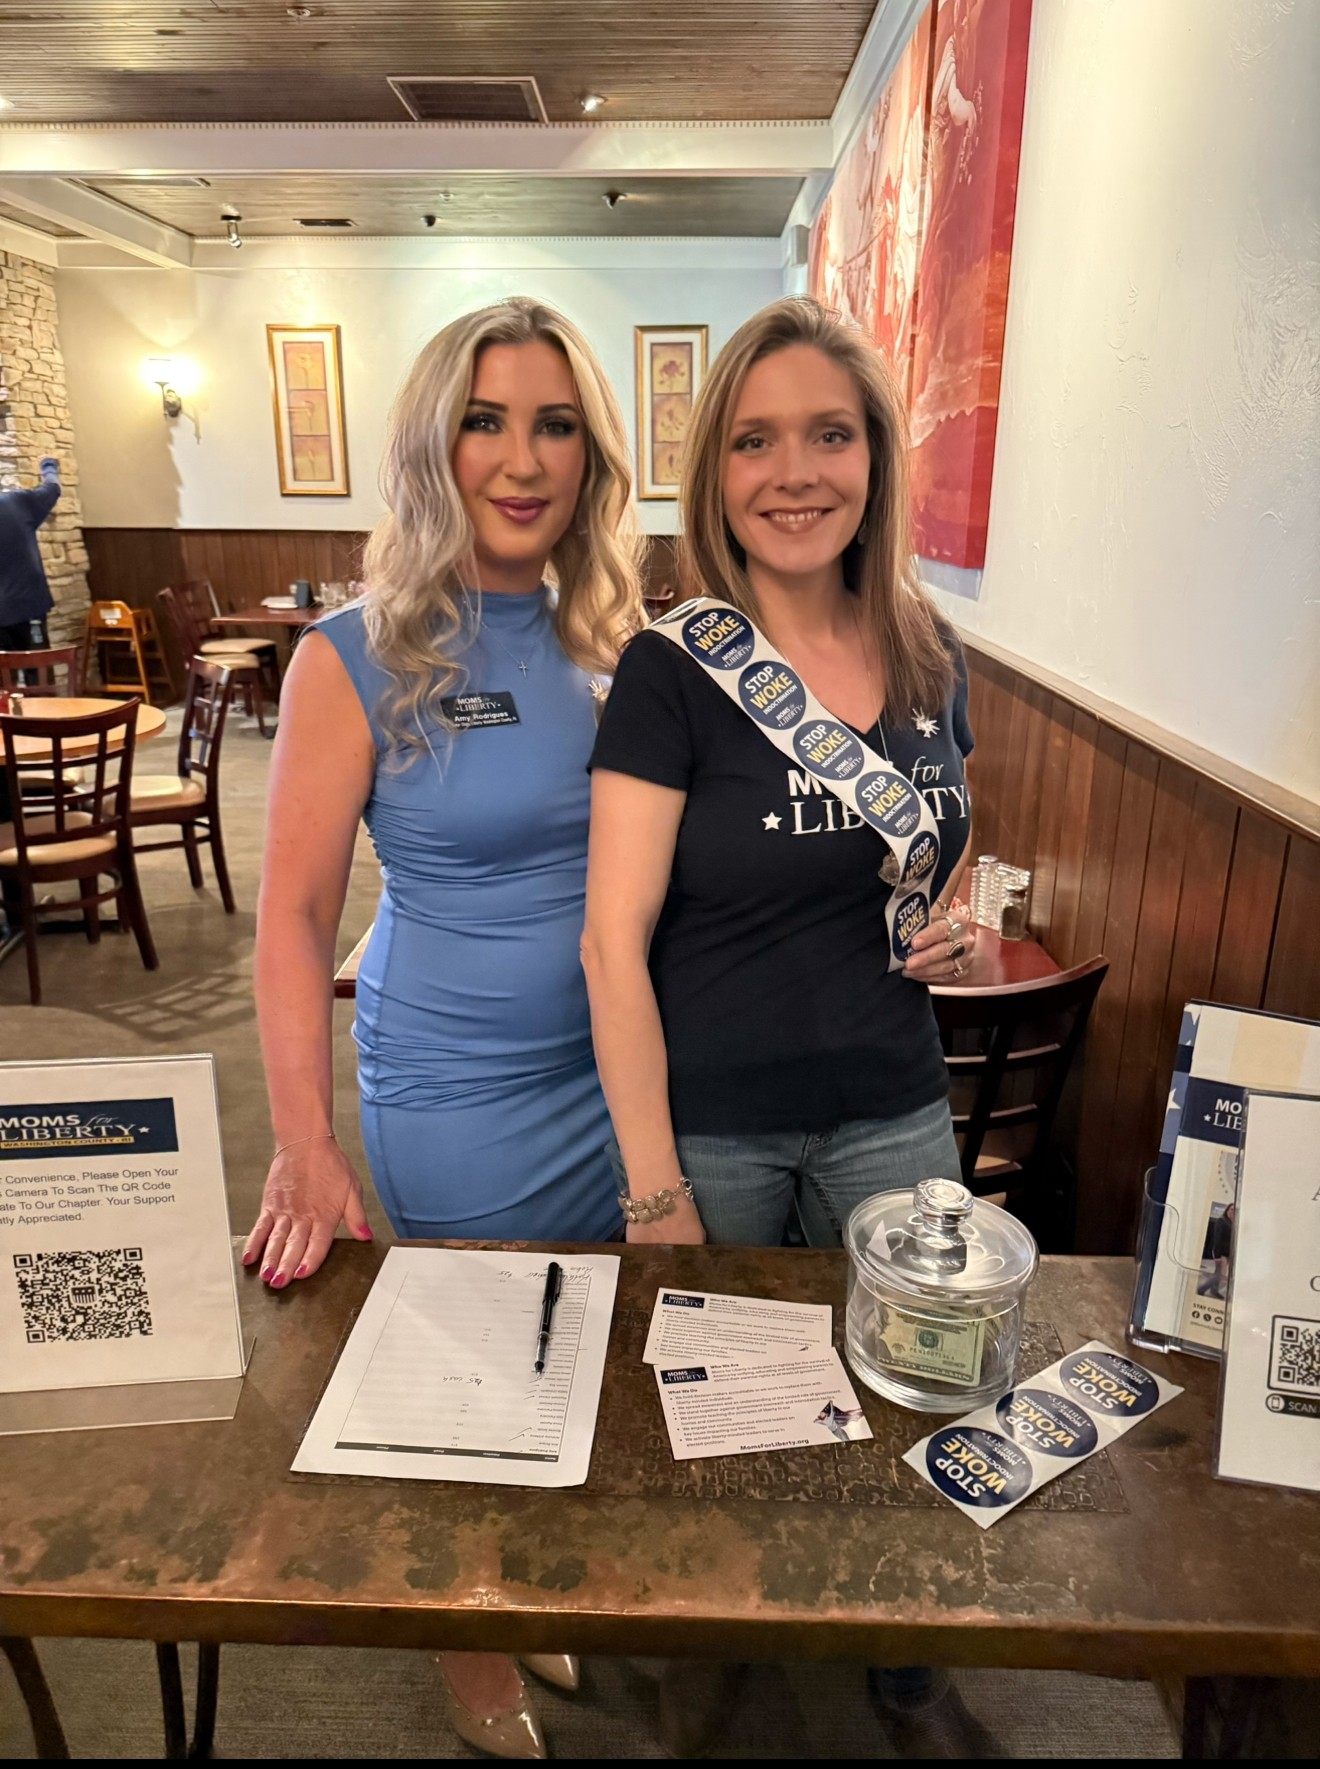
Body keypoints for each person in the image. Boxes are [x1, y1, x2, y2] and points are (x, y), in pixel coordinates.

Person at [581, 296, 997, 1758]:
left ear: (875, 456)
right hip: (719, 1122)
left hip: (894, 1097)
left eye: (829, 434)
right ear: (717, 471)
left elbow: (927, 854)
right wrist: (654, 1187)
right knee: (727, 1414)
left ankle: (904, 1652)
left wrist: (949, 930)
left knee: (924, 1389)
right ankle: (722, 1654)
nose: (794, 471)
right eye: (755, 441)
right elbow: (610, 943)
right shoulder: (674, 668)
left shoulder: (931, 651)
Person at [242, 296, 644, 1759]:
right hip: (457, 1090)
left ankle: (520, 1586)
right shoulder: (357, 655)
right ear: (435, 444)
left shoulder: (621, 641)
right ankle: (465, 1640)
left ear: (592, 455)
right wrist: (303, 1141)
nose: (522, 460)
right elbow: (294, 920)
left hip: (614, 1086)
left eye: (555, 425)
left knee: (574, 1357)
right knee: (467, 1380)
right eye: (486, 421)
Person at [0, 455, 61, 654]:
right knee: (38, 665)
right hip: (28, 605)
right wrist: (48, 466)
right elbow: (52, 488)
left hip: (20, 605)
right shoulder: (16, 502)